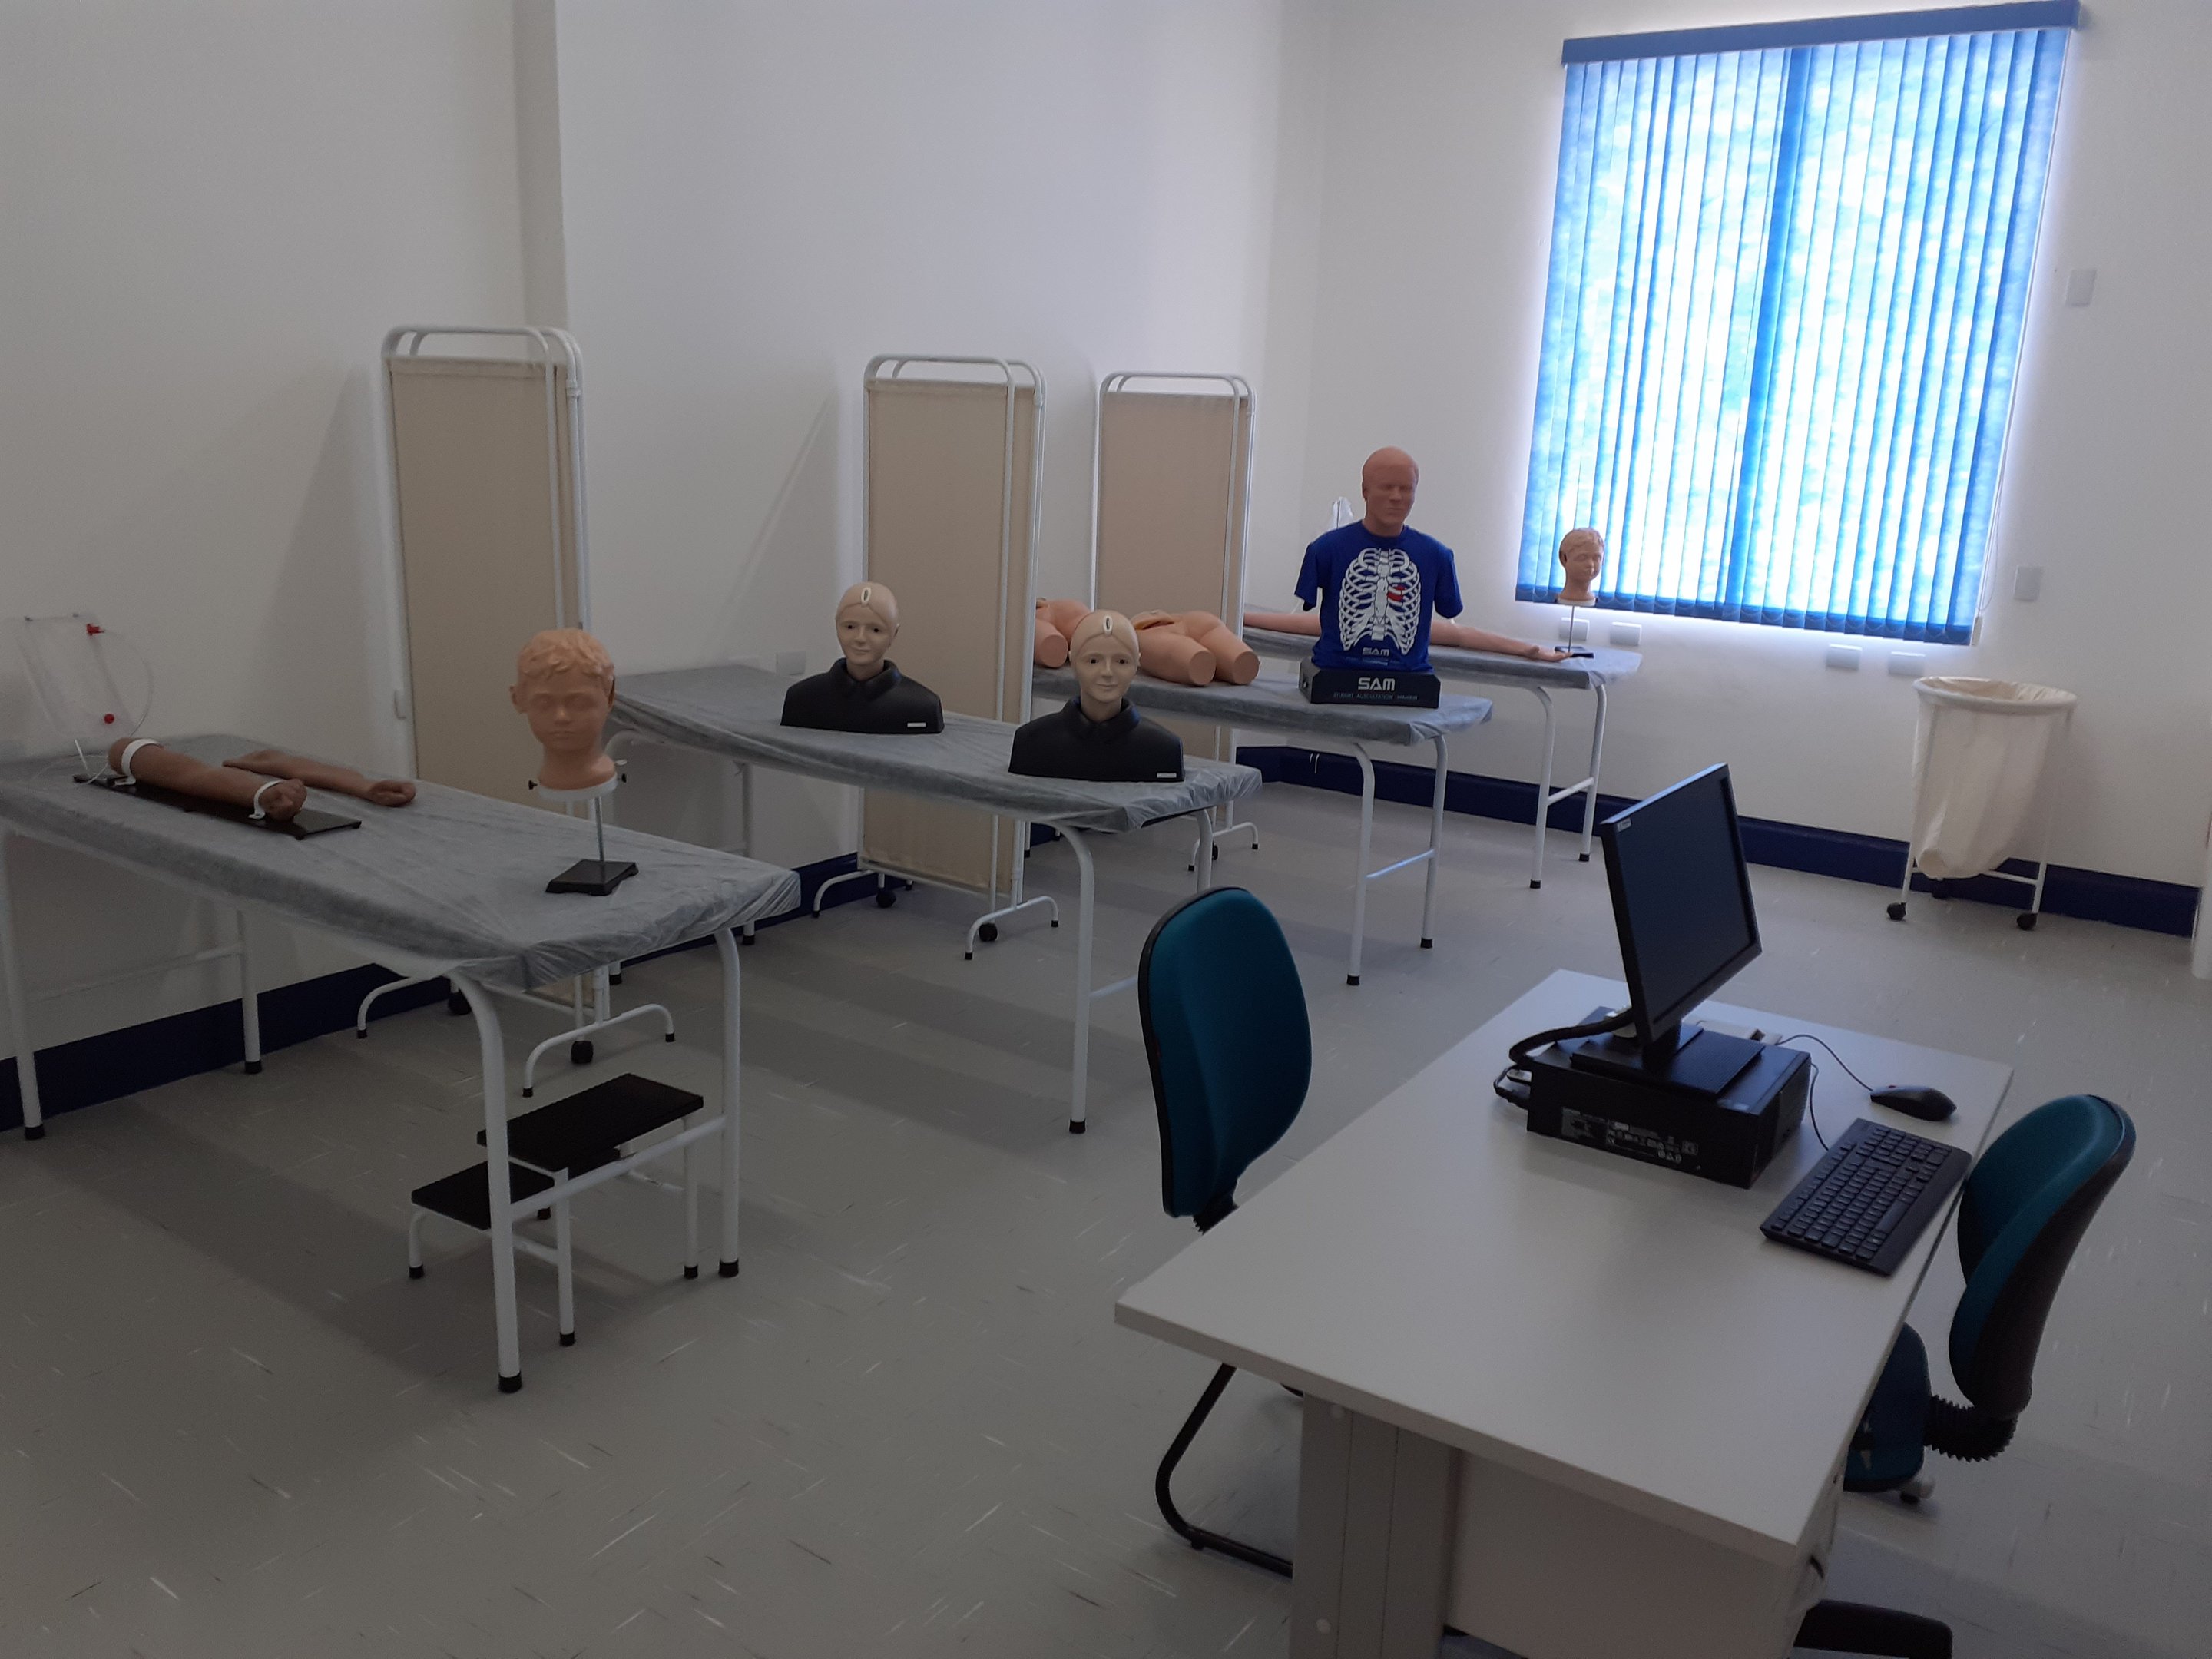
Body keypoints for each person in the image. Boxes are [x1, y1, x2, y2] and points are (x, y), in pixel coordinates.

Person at [1255, 449, 1565, 664]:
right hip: (1336, 675)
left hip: (1407, 683)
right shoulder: (1326, 550)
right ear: (1365, 491)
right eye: (1387, 487)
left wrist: (1529, 649)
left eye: (1406, 489)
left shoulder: (1435, 556)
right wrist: (1239, 617)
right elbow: (1321, 625)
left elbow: (1454, 634)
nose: (1396, 497)